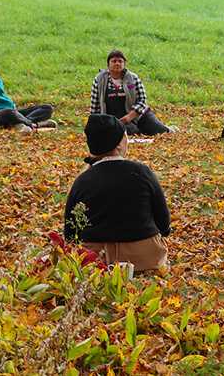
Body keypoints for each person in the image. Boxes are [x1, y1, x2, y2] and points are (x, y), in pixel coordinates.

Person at [63, 114, 171, 272]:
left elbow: (70, 234)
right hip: (144, 257)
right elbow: (163, 222)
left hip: (96, 259)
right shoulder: (141, 172)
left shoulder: (83, 180)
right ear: (119, 143)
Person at [89, 49, 170, 136]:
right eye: (114, 61)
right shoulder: (99, 80)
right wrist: (95, 125)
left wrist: (129, 117)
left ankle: (168, 128)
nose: (117, 63)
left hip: (137, 115)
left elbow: (142, 101)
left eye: (120, 61)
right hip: (114, 120)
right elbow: (95, 106)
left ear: (124, 64)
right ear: (108, 65)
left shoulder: (133, 78)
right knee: (128, 132)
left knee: (161, 131)